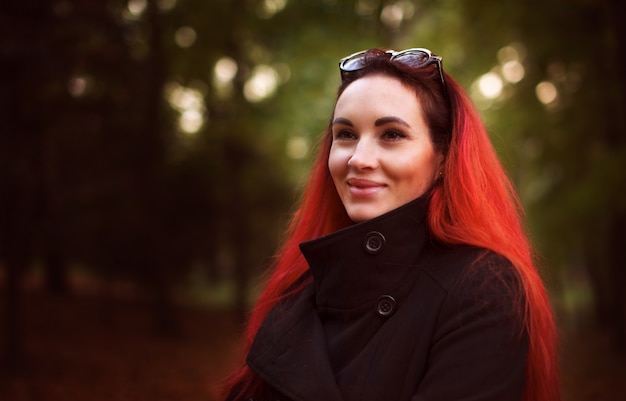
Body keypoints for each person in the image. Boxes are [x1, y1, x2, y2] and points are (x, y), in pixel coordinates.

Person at [220, 48, 560, 401]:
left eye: (392, 135)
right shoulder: (298, 290)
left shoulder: (483, 288)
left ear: (443, 157)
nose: (359, 159)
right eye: (347, 134)